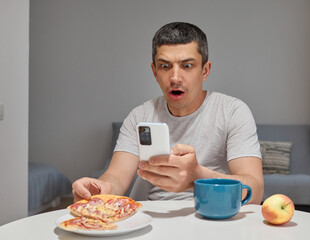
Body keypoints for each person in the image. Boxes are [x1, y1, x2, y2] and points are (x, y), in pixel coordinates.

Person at [72, 22, 264, 204]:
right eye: (165, 66)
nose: (175, 78)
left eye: (187, 66)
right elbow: (115, 178)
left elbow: (254, 191)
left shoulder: (233, 111)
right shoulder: (139, 116)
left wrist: (197, 175)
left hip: (211, 216)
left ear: (205, 71)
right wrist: (102, 188)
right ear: (155, 71)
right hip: (151, 220)